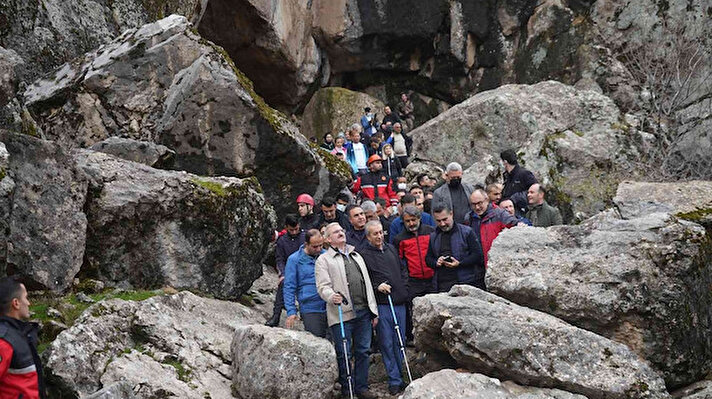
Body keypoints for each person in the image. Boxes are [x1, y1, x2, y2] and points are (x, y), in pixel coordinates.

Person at [315, 223, 379, 399]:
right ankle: (347, 388)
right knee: (344, 352)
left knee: (363, 350)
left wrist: (373, 311)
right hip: (341, 313)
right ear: (328, 239)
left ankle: (362, 387)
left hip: (363, 312)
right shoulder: (323, 260)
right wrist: (331, 296)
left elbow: (366, 283)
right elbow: (322, 286)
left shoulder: (356, 255)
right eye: (336, 232)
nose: (341, 233)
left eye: (342, 230)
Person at [358, 221, 409, 395]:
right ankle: (394, 380)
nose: (379, 236)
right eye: (375, 234)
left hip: (399, 301)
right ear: (368, 236)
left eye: (381, 232)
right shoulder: (363, 255)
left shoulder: (391, 249)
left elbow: (403, 269)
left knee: (400, 341)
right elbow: (363, 280)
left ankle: (403, 376)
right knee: (386, 343)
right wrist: (376, 286)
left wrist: (404, 286)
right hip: (382, 304)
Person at [392, 205, 434, 343]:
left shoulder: (430, 232)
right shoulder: (399, 239)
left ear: (419, 218)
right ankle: (413, 338)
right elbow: (399, 261)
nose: (411, 223)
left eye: (413, 220)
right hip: (413, 281)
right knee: (413, 310)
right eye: (407, 221)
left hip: (432, 278)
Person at [0, 277, 46, 399]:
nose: (29, 303)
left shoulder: (19, 334)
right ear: (16, 303)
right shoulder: (4, 340)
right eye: (25, 297)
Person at [425, 204, 485, 292]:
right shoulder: (434, 236)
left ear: (451, 214)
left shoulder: (466, 232)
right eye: (438, 221)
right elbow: (428, 259)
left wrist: (460, 263)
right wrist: (436, 262)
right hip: (442, 284)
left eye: (445, 219)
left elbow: (477, 255)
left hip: (465, 282)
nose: (442, 224)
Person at [283, 229, 329, 338]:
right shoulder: (294, 260)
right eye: (314, 247)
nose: (318, 249)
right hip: (310, 307)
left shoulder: (327, 256)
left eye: (321, 245)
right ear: (306, 244)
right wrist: (291, 311)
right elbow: (289, 287)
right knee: (318, 341)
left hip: (329, 304)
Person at [266, 214, 305, 327]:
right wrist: (282, 274)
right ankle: (276, 315)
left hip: (304, 270)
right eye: (291, 230)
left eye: (296, 229)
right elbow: (279, 259)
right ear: (286, 227)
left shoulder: (305, 237)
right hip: (289, 272)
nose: (293, 232)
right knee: (282, 286)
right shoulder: (282, 241)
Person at [464, 189, 519, 266]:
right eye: (473, 204)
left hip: (494, 262)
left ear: (486, 200)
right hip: (475, 264)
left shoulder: (500, 214)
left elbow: (514, 224)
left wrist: (521, 224)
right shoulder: (469, 218)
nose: (477, 207)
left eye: (480, 203)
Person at [500, 149, 537, 216]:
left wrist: (514, 198)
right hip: (507, 211)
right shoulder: (506, 176)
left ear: (505, 162)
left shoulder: (525, 174)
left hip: (522, 212)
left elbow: (535, 191)